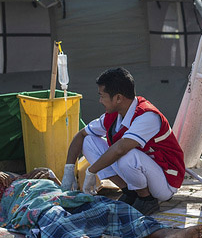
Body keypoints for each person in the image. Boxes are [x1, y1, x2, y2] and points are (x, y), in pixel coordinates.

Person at [0, 171, 202, 238]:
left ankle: (165, 234)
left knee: (107, 205)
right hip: (32, 206)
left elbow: (60, 186)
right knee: (52, 217)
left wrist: (44, 175)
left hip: (62, 196)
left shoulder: (23, 176)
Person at [61, 68, 186, 215]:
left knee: (126, 155)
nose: (100, 101)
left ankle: (146, 200)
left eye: (102, 96)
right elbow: (81, 135)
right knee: (88, 141)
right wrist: (68, 171)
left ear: (118, 98)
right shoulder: (113, 115)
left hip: (165, 181)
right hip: (143, 171)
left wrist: (91, 171)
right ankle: (130, 192)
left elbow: (120, 149)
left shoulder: (147, 116)